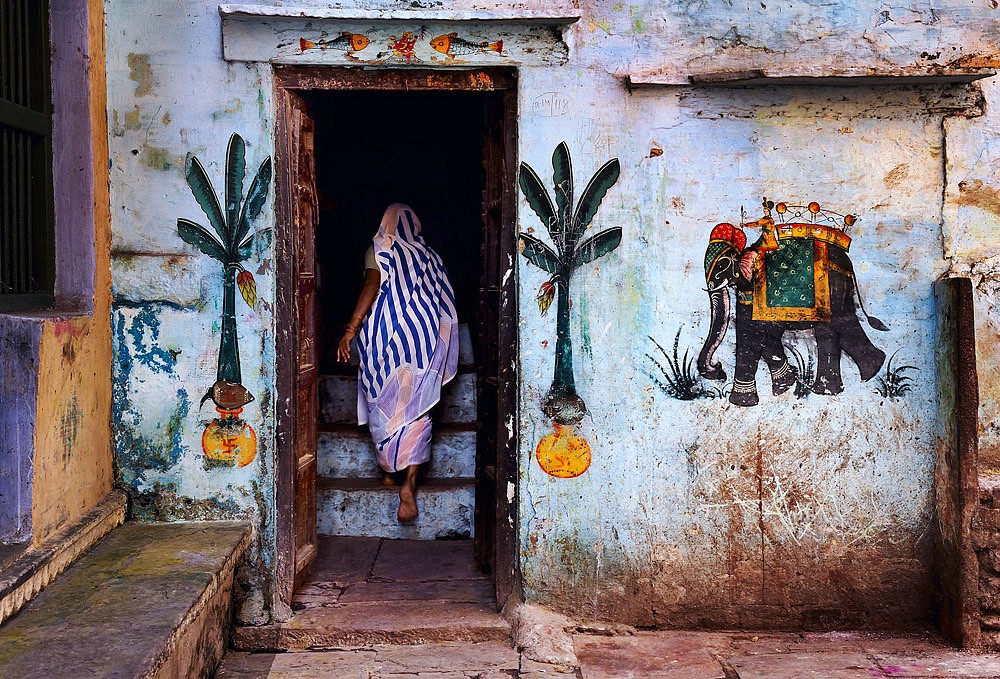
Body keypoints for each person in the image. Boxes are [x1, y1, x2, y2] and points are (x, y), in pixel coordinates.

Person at [337, 203, 459, 523]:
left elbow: (371, 286)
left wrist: (350, 329)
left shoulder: (380, 248)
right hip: (424, 343)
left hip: (383, 339)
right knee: (418, 410)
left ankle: (390, 471)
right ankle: (409, 482)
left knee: (383, 403)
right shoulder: (431, 257)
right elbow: (445, 304)